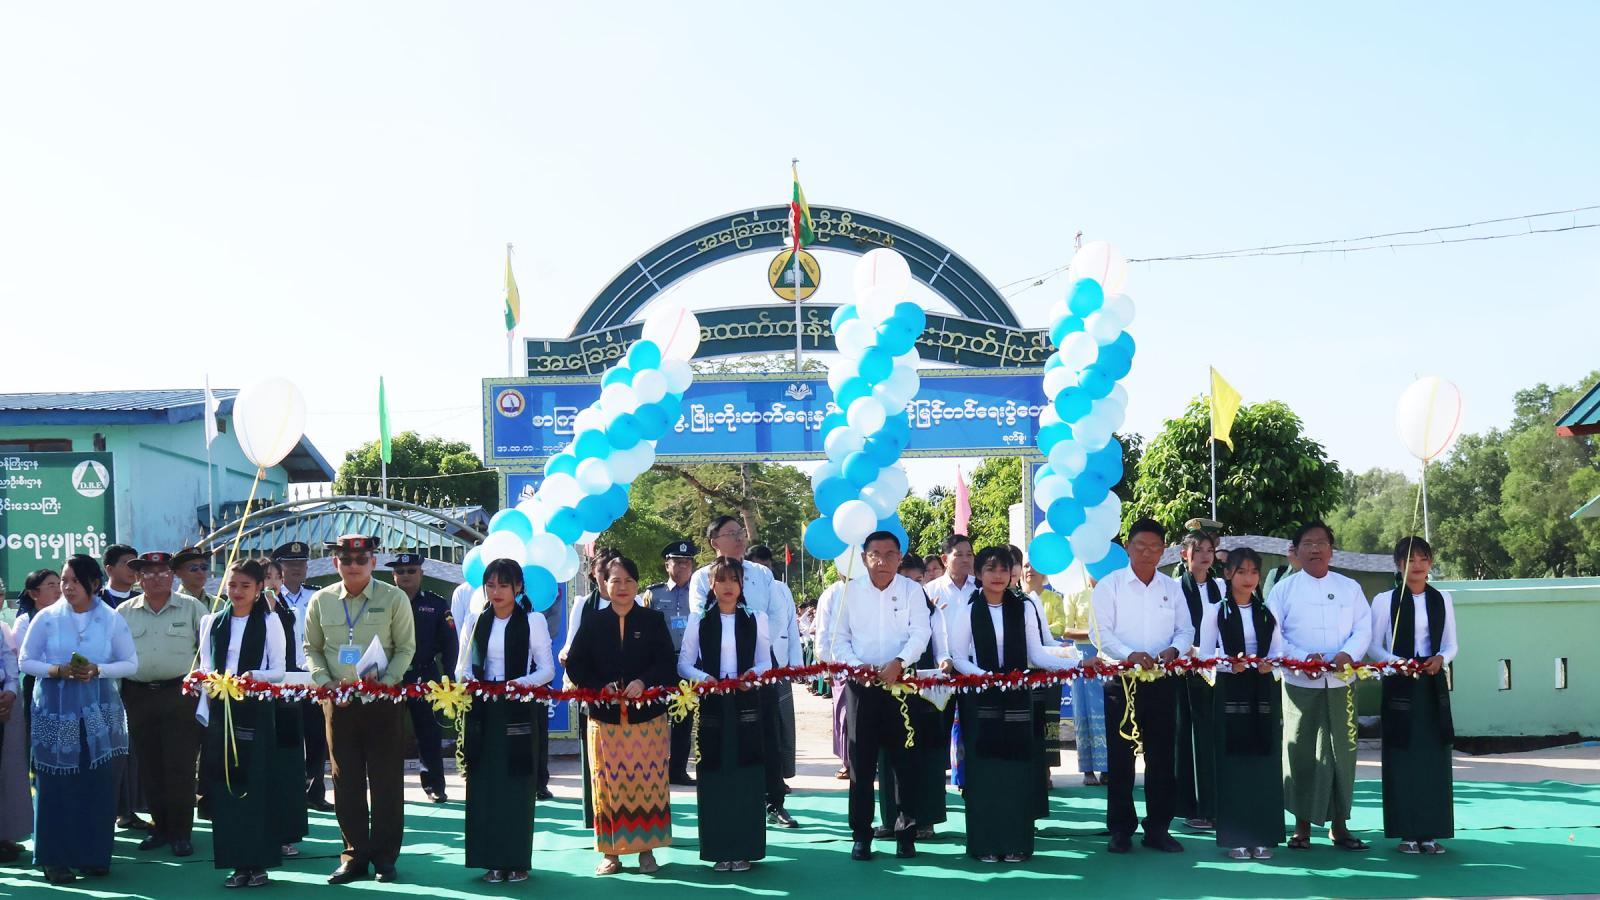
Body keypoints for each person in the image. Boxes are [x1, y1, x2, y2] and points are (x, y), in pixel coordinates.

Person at [946, 545, 1075, 861]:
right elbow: (958, 657)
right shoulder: (967, 610)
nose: (998, 575)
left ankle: (1017, 842)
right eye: (990, 569)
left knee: (1017, 773)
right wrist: (986, 677)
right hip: (981, 700)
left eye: (1004, 569)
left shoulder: (1025, 607)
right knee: (986, 774)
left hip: (1019, 698)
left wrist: (1076, 665)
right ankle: (985, 844)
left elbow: (1037, 654)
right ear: (979, 573)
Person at [304, 534, 417, 884]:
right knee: (345, 781)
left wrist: (388, 681)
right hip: (338, 703)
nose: (353, 565)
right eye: (346, 559)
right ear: (335, 562)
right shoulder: (321, 600)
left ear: (373, 562)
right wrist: (325, 682)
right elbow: (312, 648)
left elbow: (405, 647)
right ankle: (353, 856)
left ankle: (384, 858)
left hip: (382, 702)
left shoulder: (394, 597)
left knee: (386, 781)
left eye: (361, 559)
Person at [18, 555, 138, 884]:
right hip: (55, 713)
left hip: (98, 713)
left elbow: (130, 663)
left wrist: (99, 670)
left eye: (75, 581)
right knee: (55, 784)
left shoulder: (110, 618)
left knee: (96, 784)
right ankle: (53, 859)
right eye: (64, 580)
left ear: (94, 584)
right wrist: (56, 670)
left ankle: (92, 855)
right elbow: (26, 661)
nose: (67, 587)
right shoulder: (46, 618)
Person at [564, 554, 677, 876]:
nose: (622, 587)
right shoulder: (593, 621)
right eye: (615, 580)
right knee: (607, 784)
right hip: (605, 718)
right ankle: (610, 853)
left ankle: (647, 852)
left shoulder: (653, 620)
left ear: (638, 584)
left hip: (647, 719)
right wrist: (601, 686)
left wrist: (644, 682)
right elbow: (576, 665)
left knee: (647, 783)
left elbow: (667, 664)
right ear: (604, 584)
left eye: (629, 580)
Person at [1267, 521, 1371, 853]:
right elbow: (1274, 636)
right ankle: (1301, 828)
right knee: (1301, 752)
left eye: (1321, 543)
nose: (1315, 549)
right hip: (1300, 683)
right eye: (1308, 544)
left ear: (1331, 550)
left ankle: (1340, 826)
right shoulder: (1283, 590)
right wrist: (1302, 659)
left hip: (1341, 683)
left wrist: (1348, 654)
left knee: (1342, 754)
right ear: (1296, 551)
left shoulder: (1349, 587)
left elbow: (1363, 628)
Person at [1090, 518, 1192, 854]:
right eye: (1140, 546)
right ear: (1128, 548)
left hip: (1162, 681)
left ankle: (1158, 828)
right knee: (1120, 759)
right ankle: (1121, 829)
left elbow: (1186, 630)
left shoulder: (1171, 587)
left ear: (1163, 551)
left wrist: (1174, 649)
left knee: (1161, 757)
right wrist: (1129, 655)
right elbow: (1100, 633)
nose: (1147, 553)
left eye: (1154, 547)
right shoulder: (1110, 585)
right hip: (1121, 681)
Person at [829, 531, 933, 861]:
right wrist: (857, 667)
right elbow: (838, 638)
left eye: (890, 554)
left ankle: (906, 834)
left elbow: (921, 632)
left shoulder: (912, 590)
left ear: (900, 558)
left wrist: (900, 662)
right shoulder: (849, 592)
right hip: (861, 687)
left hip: (901, 685)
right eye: (875, 554)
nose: (883, 561)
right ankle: (861, 836)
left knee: (905, 763)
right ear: (864, 558)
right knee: (861, 765)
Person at [454, 558, 555, 884]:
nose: (496, 592)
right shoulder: (475, 619)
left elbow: (547, 670)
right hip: (483, 711)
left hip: (518, 710)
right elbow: (461, 666)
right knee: (484, 785)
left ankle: (516, 860)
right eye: (490, 585)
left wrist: (520, 684)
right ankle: (491, 861)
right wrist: (470, 680)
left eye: (503, 585)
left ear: (518, 587)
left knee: (516, 785)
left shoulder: (533, 620)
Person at [677, 556, 772, 872]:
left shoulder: (756, 618)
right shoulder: (699, 619)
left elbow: (765, 662)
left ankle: (745, 849)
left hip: (745, 702)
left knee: (746, 773)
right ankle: (719, 849)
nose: (728, 586)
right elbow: (684, 664)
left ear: (742, 584)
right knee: (714, 774)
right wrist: (705, 678)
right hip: (713, 703)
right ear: (711, 585)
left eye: (734, 579)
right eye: (721, 580)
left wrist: (751, 675)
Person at [198, 560, 288, 888]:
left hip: (256, 709)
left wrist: (254, 676)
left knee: (256, 784)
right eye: (232, 585)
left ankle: (259, 862)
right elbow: (205, 665)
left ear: (259, 588)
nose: (236, 592)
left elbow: (279, 670)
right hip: (222, 710)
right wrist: (206, 680)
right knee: (226, 785)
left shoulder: (270, 621)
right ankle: (236, 863)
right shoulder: (212, 621)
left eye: (245, 586)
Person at [1370, 535, 1457, 855]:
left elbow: (1451, 644)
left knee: (1433, 756)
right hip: (1399, 682)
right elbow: (1373, 645)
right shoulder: (1385, 601)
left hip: (1431, 684)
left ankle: (1430, 832)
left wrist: (1441, 659)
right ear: (1398, 565)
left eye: (1423, 559)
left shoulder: (1442, 598)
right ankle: (1406, 831)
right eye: (1409, 560)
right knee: (1401, 755)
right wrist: (1396, 663)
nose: (1417, 565)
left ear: (1430, 562)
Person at [1196, 547, 1285, 860]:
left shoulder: (1267, 611)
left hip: (1263, 692)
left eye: (1254, 572)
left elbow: (1280, 652)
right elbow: (1204, 658)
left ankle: (1262, 836)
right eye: (1242, 571)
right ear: (1228, 574)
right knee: (1233, 765)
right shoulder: (1215, 612)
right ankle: (1236, 837)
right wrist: (1226, 664)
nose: (1249, 578)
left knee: (1264, 764)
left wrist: (1270, 664)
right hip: (1230, 692)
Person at [116, 551, 206, 857]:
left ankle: (181, 832)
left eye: (163, 572)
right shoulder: (124, 612)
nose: (157, 578)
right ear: (139, 579)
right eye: (149, 573)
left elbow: (207, 651)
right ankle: (160, 827)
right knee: (149, 764)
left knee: (180, 765)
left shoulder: (192, 607)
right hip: (138, 694)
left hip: (180, 693)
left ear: (172, 575)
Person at [271, 541, 334, 814]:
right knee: (287, 737)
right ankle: (290, 792)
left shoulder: (318, 596)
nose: (296, 568)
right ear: (279, 568)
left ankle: (315, 792)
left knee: (317, 736)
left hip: (313, 675)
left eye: (301, 563)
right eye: (289, 564)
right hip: (283, 676)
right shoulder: (271, 597)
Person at [391, 551, 457, 804]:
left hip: (425, 675)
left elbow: (450, 644)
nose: (406, 575)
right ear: (393, 575)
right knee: (387, 733)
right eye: (400, 572)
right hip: (391, 677)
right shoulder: (385, 602)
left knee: (429, 734)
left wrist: (449, 678)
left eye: (411, 571)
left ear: (421, 573)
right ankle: (388, 788)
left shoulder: (436, 604)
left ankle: (434, 786)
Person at [746, 543, 804, 828]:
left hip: (776, 666)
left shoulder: (780, 589)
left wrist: (796, 664)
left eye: (767, 565)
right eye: (759, 565)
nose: (764, 570)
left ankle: (777, 789)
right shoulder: (731, 582)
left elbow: (791, 626)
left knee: (779, 730)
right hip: (741, 672)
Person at [561, 548, 619, 827]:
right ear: (593, 574)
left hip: (625, 689)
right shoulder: (584, 604)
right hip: (592, 685)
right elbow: (571, 642)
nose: (607, 578)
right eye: (601, 572)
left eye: (612, 572)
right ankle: (594, 812)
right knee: (593, 749)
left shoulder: (634, 601)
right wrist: (567, 655)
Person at [258, 557, 308, 859]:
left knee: (288, 765)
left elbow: (299, 654)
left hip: (287, 696)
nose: (273, 583)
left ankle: (286, 835)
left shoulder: (291, 611)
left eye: (277, 577)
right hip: (257, 697)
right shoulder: (247, 614)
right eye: (267, 577)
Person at [1176, 530, 1224, 831]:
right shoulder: (1175, 588)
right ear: (1185, 554)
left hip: (1217, 669)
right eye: (1199, 550)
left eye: (1209, 550)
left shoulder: (1222, 586)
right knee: (1189, 737)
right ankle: (1193, 806)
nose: (1205, 555)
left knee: (1214, 738)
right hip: (1186, 671)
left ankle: (1216, 804)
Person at [643, 539, 698, 786]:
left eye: (687, 562)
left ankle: (677, 771)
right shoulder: (653, 594)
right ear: (667, 565)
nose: (683, 566)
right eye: (677, 562)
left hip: (689, 664)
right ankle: (654, 768)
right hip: (660, 664)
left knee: (683, 721)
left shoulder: (700, 594)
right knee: (655, 717)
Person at [923, 534, 975, 790]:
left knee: (973, 729)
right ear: (945, 559)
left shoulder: (981, 588)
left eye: (969, 554)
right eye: (959, 555)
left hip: (974, 670)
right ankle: (933, 793)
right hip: (941, 672)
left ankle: (972, 786)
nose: (966, 559)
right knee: (938, 732)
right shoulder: (929, 591)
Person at [1061, 574, 1108, 786]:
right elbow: (1066, 630)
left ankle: (1108, 767)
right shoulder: (1074, 591)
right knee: (1084, 711)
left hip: (1109, 655)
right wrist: (1092, 633)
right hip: (1083, 657)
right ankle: (1088, 769)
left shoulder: (1112, 589)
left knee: (1108, 711)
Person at [812, 576, 850, 779]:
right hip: (841, 665)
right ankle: (848, 761)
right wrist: (827, 664)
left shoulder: (871, 587)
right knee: (844, 715)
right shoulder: (831, 594)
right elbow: (823, 632)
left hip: (873, 664)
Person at [0, 608, 28, 863]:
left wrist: (10, 690)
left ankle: (3, 835)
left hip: (3, 702)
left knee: (4, 773)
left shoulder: (0, 627)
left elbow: (8, 659)